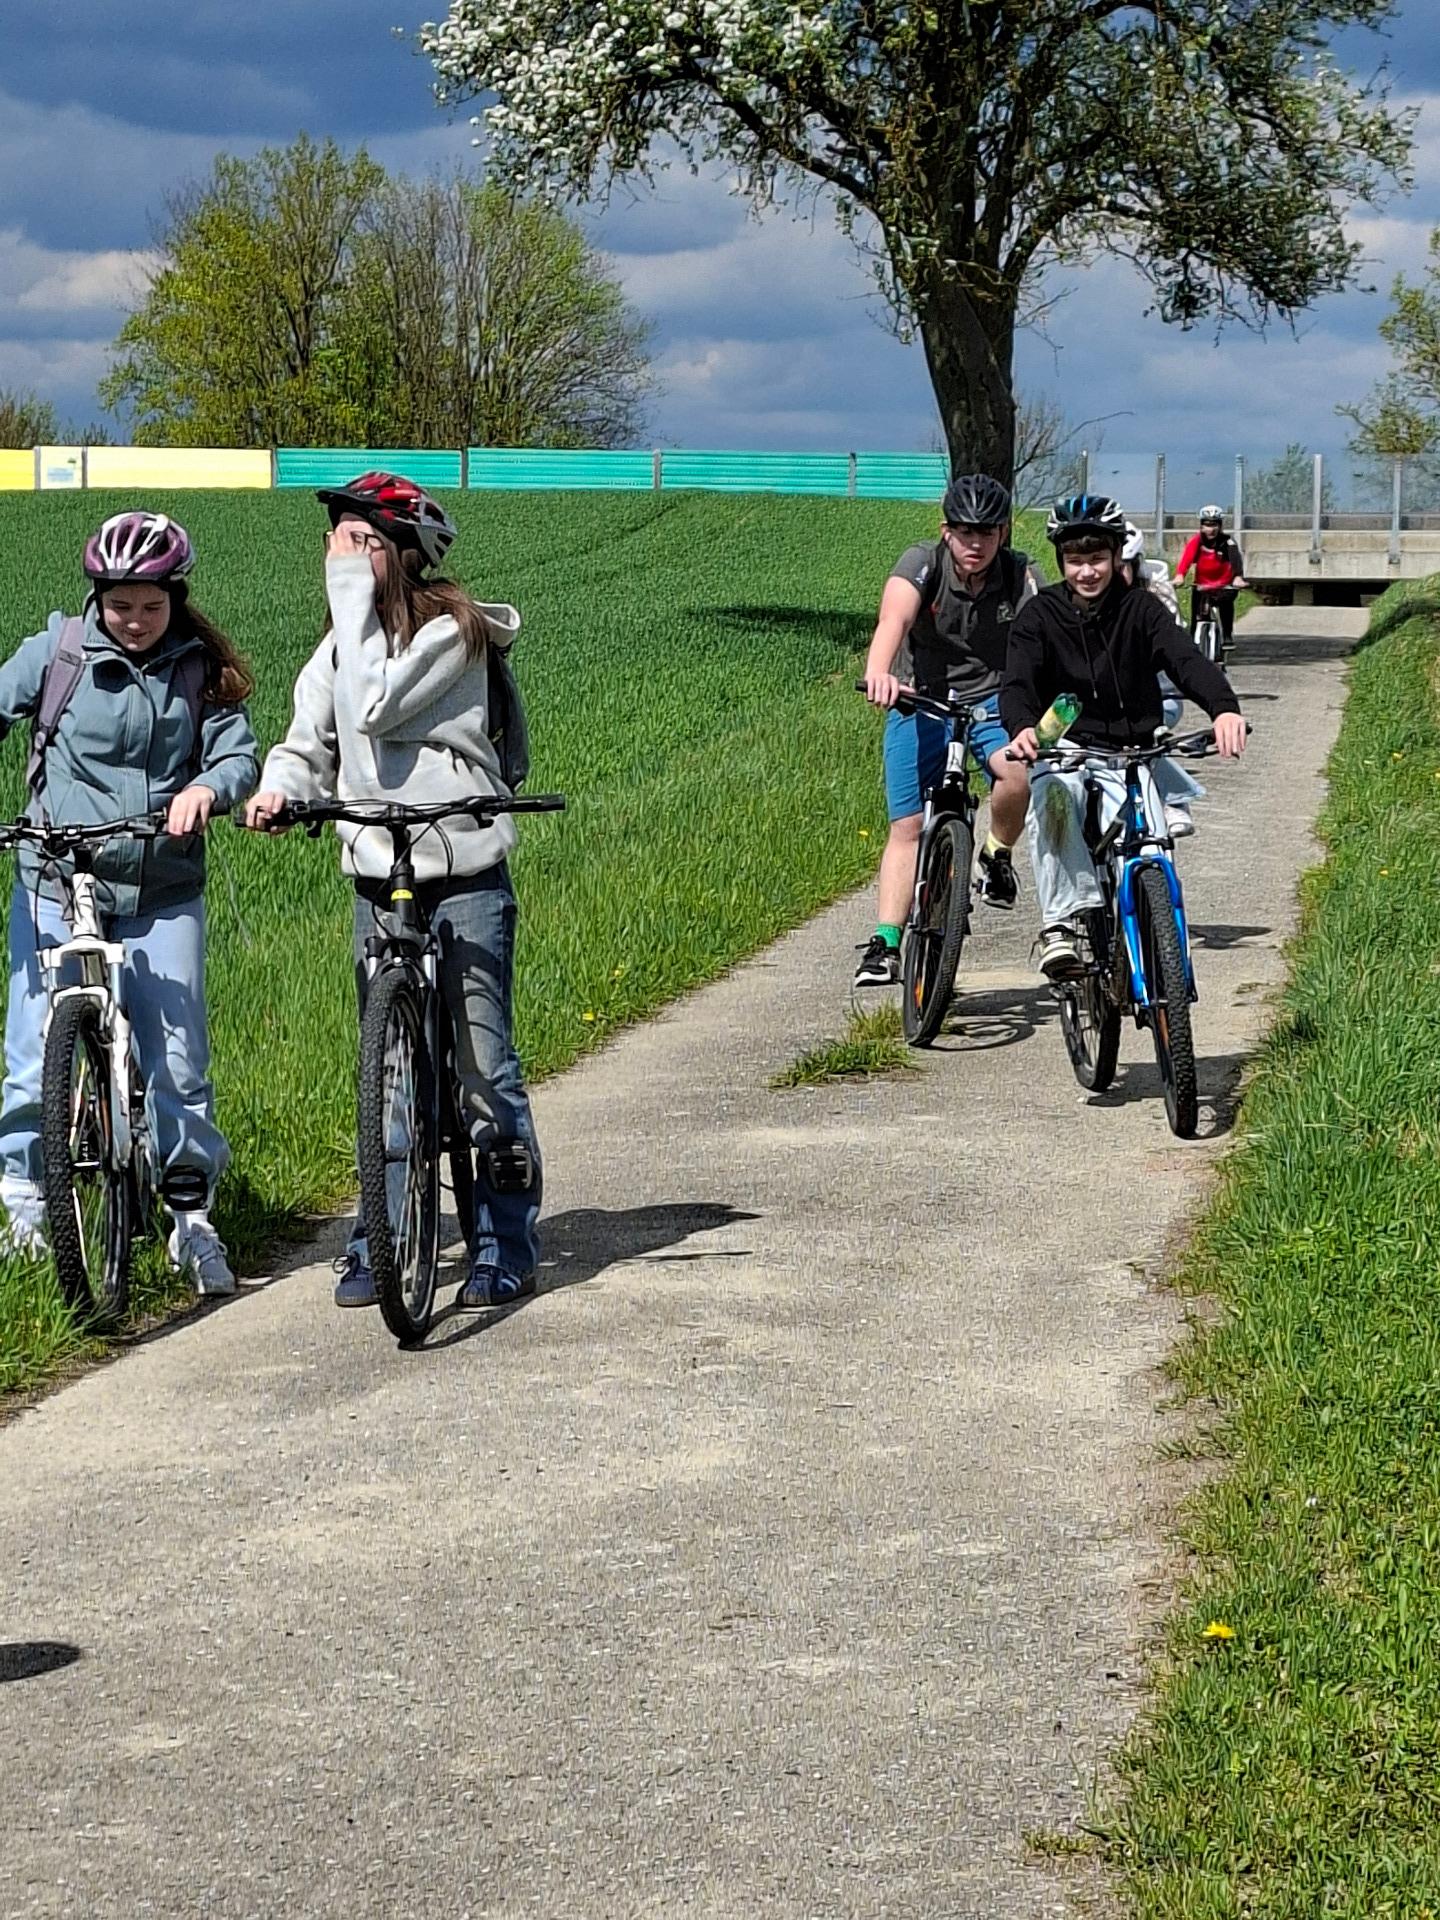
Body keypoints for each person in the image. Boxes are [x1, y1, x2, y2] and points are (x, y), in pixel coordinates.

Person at [243, 471, 542, 1311]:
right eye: (336, 540)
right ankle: (381, 1234)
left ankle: (505, 1240)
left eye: (360, 541)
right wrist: (280, 789)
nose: (339, 554)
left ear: (403, 555)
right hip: (380, 873)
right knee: (390, 1072)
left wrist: (348, 593)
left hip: (464, 868)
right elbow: (310, 738)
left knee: (483, 1070)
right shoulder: (339, 647)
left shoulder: (454, 631)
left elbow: (374, 705)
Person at [0, 511, 258, 1291]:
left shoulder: (197, 669)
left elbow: (238, 756)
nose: (136, 620)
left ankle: (191, 1217)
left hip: (159, 884)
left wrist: (208, 789)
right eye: (120, 606)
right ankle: (24, 1203)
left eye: (151, 606)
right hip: (55, 874)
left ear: (175, 598)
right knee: (30, 1055)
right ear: (96, 598)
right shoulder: (58, 653)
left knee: (177, 1061)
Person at [1002, 495, 1247, 981]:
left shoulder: (1142, 609)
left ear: (1116, 557)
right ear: (1061, 561)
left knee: (1153, 842)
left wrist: (1223, 708)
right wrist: (1023, 727)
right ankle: (1060, 926)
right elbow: (1018, 683)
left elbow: (1186, 660)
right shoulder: (1040, 614)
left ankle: (1163, 955)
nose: (1087, 572)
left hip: (1133, 749)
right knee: (1054, 798)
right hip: (1066, 744)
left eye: (1097, 559)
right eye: (1075, 560)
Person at [854, 472, 1042, 988]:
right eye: (965, 532)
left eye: (986, 532)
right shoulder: (922, 563)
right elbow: (893, 620)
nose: (975, 543)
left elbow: (1044, 635)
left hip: (991, 703)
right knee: (908, 826)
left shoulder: (1021, 574)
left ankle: (996, 854)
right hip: (922, 699)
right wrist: (880, 673)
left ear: (1003, 533)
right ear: (946, 532)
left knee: (1016, 776)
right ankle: (885, 943)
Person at [1173, 505, 1249, 650]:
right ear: (1201, 526)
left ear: (1220, 526)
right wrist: (1180, 575)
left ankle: (1227, 635)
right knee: (1197, 615)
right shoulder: (1197, 541)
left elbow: (1236, 560)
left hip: (1224, 585)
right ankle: (1194, 643)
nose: (1210, 529)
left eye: (1214, 525)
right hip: (1203, 586)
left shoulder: (1228, 542)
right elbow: (1187, 558)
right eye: (1207, 525)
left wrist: (1238, 577)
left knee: (1226, 605)